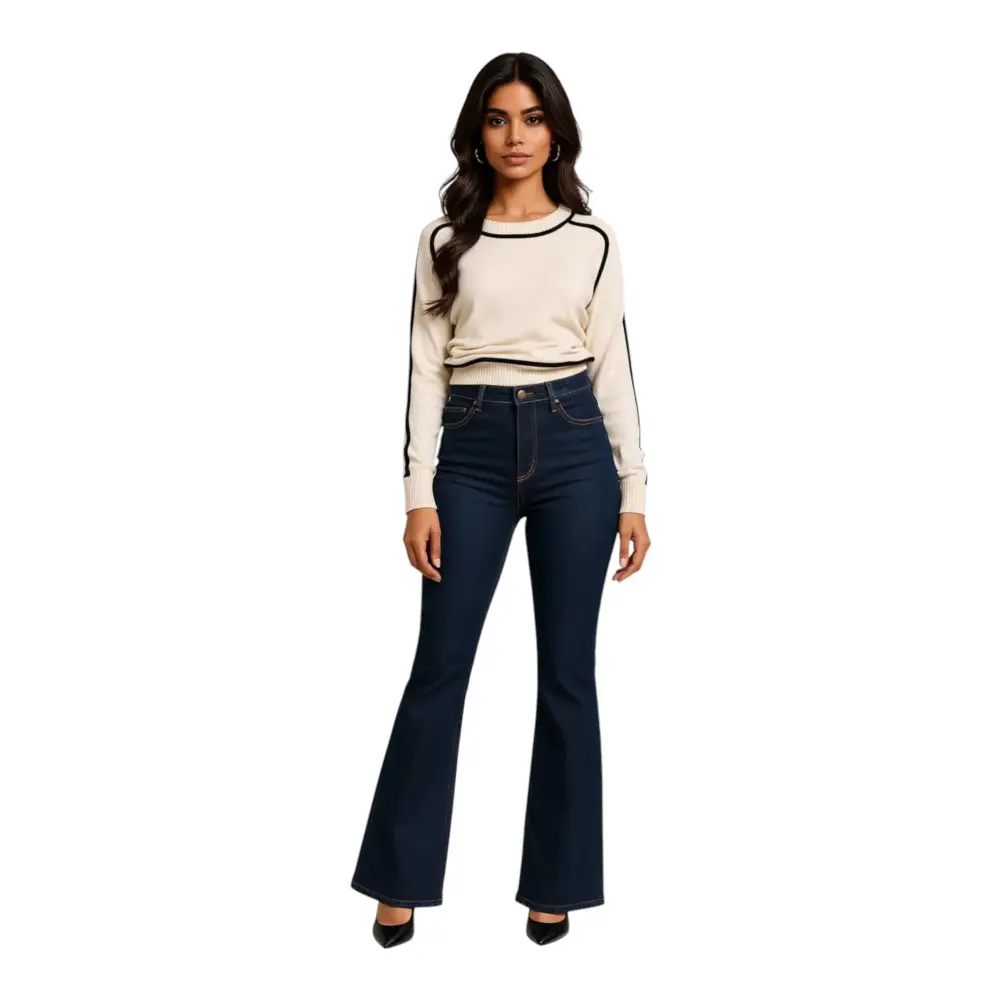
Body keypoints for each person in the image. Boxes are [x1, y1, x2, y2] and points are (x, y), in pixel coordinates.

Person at [349, 51, 651, 948]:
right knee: (439, 668)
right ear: (476, 134)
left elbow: (613, 367)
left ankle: (554, 886)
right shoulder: (444, 240)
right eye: (497, 118)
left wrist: (634, 490)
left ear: (556, 131)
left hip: (574, 448)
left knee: (567, 675)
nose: (515, 136)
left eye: (531, 118)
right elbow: (423, 369)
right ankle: (399, 878)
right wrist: (418, 491)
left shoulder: (592, 240)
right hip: (471, 452)